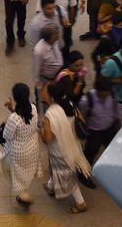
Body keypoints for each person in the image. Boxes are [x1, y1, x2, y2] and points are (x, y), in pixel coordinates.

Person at [42, 83, 91, 214]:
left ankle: (81, 203)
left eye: (45, 90)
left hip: (60, 150)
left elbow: (48, 138)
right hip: (73, 145)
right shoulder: (69, 104)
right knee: (55, 168)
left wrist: (41, 131)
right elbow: (81, 120)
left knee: (67, 176)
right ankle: (50, 186)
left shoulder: (50, 113)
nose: (42, 91)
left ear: (51, 97)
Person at [2, 82, 42, 207]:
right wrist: (11, 109)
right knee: (27, 172)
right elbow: (26, 118)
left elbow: (7, 135)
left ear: (14, 98)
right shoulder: (34, 108)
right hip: (33, 147)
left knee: (16, 174)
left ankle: (24, 197)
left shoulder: (14, 118)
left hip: (19, 152)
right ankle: (24, 193)